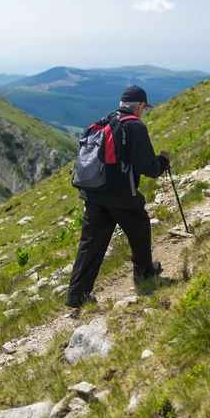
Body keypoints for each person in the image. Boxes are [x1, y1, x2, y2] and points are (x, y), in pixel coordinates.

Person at [65, 85, 171, 309]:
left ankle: (76, 296)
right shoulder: (134, 126)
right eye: (144, 108)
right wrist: (163, 161)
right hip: (121, 195)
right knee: (140, 228)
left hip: (94, 192)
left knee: (90, 243)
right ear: (140, 106)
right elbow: (148, 167)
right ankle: (144, 274)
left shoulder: (104, 121)